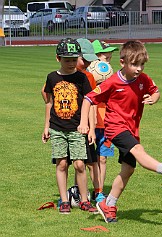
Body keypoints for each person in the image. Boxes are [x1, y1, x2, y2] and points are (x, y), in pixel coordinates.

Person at [78, 40, 162, 223]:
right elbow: (88, 99)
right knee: (138, 150)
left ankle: (108, 205)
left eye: (142, 64)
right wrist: (83, 123)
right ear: (122, 62)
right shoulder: (112, 82)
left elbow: (156, 91)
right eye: (134, 64)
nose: (139, 69)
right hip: (115, 127)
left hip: (132, 128)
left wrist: (153, 98)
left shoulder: (143, 79)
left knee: (128, 169)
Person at [42, 38, 97, 214]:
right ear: (58, 58)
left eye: (74, 59)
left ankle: (84, 200)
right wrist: (46, 127)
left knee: (80, 165)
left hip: (77, 129)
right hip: (57, 128)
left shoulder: (82, 77)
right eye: (67, 60)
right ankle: (64, 201)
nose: (72, 63)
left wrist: (92, 129)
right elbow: (49, 103)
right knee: (62, 164)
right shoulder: (52, 77)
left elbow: (90, 103)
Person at [75, 38, 106, 203]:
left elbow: (92, 103)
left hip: (85, 126)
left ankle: (98, 191)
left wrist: (92, 128)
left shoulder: (89, 76)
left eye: (89, 60)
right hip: (69, 124)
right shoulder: (63, 74)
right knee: (75, 162)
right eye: (84, 59)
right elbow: (46, 92)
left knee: (92, 161)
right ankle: (77, 192)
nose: (87, 63)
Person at [90, 40, 118, 199]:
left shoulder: (111, 78)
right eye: (105, 59)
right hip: (90, 123)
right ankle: (83, 190)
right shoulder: (87, 78)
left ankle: (99, 191)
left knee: (102, 158)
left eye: (109, 59)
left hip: (106, 123)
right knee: (87, 160)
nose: (108, 62)